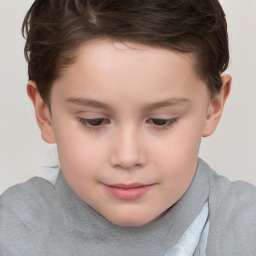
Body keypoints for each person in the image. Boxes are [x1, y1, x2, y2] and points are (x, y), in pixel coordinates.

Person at [0, 0, 255, 255]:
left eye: (161, 121)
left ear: (214, 105)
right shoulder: (12, 232)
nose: (127, 156)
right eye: (94, 121)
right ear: (45, 114)